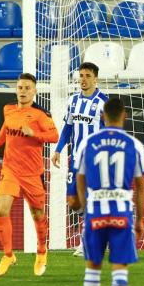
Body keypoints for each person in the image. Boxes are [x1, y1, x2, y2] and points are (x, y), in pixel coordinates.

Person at [75, 97, 144, 286]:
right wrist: (139, 220)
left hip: (95, 212)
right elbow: (141, 185)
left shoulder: (88, 141)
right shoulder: (133, 144)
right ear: (124, 116)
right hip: (121, 213)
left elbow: (80, 177)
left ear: (103, 116)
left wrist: (87, 206)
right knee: (119, 270)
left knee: (93, 268)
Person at [0, 73, 59, 277]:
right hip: (10, 169)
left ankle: (41, 251)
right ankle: (8, 255)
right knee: (2, 210)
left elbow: (54, 136)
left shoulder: (41, 114)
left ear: (34, 91)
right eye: (20, 87)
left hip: (32, 173)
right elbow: (6, 127)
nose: (23, 91)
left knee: (38, 215)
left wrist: (34, 134)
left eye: (27, 88)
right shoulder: (8, 108)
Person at [52, 62, 108, 257]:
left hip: (95, 160)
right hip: (75, 158)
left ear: (95, 78)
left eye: (87, 76)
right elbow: (68, 127)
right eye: (81, 75)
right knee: (74, 200)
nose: (83, 79)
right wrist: (58, 149)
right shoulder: (73, 100)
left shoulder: (103, 102)